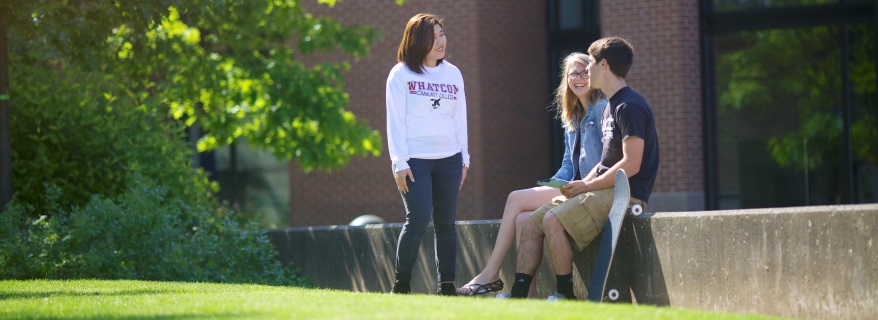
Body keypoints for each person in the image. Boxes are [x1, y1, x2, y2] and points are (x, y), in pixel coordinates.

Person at [506, 37, 660, 300]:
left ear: (604, 65)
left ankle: (564, 295)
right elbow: (604, 163)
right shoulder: (611, 106)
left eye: (589, 65)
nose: (586, 72)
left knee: (552, 219)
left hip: (626, 193)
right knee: (532, 223)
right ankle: (518, 296)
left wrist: (586, 186)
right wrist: (579, 185)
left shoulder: (629, 105)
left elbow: (630, 165)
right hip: (605, 187)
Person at [457, 52, 607, 296]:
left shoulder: (601, 109)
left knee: (515, 198)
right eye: (573, 73)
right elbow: (568, 166)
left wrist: (573, 184)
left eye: (584, 72)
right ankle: (529, 295)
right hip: (568, 185)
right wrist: (552, 183)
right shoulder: (572, 115)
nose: (579, 78)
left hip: (588, 189)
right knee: (522, 219)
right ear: (566, 79)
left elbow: (605, 160)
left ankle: (490, 274)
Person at [385, 13, 469, 296]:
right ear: (417, 41)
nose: (440, 42)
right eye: (432, 38)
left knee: (446, 224)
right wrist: (399, 161)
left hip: (450, 158)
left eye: (441, 34)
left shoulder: (453, 73)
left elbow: (460, 119)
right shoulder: (400, 74)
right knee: (418, 219)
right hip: (415, 160)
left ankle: (447, 287)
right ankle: (402, 283)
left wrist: (465, 158)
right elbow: (394, 122)